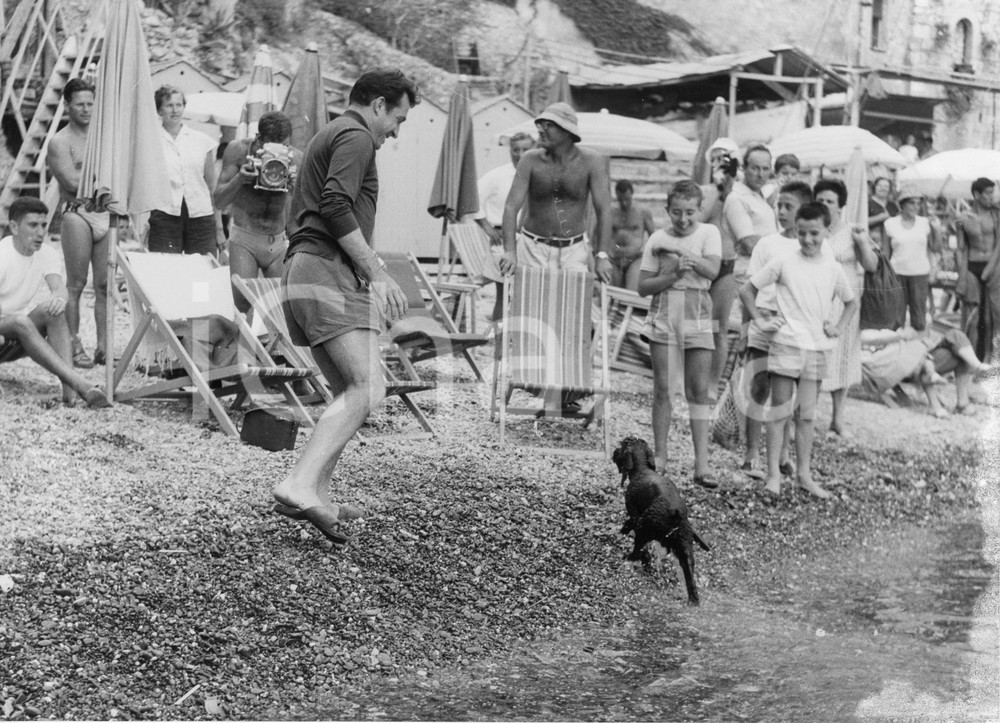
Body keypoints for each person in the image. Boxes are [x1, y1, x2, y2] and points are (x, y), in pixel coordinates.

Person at [273, 68, 417, 546]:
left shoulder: (332, 133)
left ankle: (318, 492)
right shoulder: (356, 136)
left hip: (306, 268)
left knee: (345, 389)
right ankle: (298, 483)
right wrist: (377, 271)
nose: (396, 132)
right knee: (369, 386)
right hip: (326, 269)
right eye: (396, 118)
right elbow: (336, 207)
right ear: (377, 105)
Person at [738, 202, 858, 498]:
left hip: (816, 349)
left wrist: (838, 328)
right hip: (786, 346)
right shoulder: (784, 260)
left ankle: (804, 474)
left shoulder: (833, 267)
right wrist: (761, 320)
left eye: (814, 233)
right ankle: (773, 475)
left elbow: (851, 301)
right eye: (802, 233)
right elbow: (747, 290)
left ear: (828, 231)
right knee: (779, 411)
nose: (807, 239)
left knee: (806, 414)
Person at [637, 180, 721, 488]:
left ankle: (702, 465)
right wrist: (673, 273)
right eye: (676, 212)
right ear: (667, 210)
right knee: (663, 389)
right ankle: (660, 458)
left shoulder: (709, 233)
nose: (683, 219)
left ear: (700, 210)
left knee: (698, 391)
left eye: (689, 212)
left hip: (698, 313)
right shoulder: (656, 238)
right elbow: (643, 287)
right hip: (665, 314)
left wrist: (677, 249)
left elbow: (712, 271)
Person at [0, 197, 110, 408]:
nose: (41, 233)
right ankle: (80, 383)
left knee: (54, 311)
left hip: (15, 333)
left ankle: (70, 393)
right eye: (33, 225)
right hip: (5, 333)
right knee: (20, 321)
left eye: (44, 225)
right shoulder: (2, 256)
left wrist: (58, 299)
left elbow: (59, 287)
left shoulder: (46, 254)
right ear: (14, 227)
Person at [740, 180, 814, 479]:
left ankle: (782, 452)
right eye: (779, 206)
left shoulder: (810, 247)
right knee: (758, 386)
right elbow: (749, 288)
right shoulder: (767, 244)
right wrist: (752, 322)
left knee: (790, 393)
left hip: (795, 326)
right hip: (765, 319)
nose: (781, 211)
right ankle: (750, 454)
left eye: (789, 206)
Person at [499, 102, 612, 282]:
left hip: (574, 250)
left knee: (572, 306)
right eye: (540, 125)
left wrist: (602, 256)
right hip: (532, 248)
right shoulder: (530, 160)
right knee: (529, 307)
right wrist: (510, 251)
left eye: (549, 125)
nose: (541, 130)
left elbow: (604, 210)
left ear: (568, 131)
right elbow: (511, 207)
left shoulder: (592, 161)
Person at [46, 78, 110, 369]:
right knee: (76, 284)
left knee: (105, 285)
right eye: (80, 104)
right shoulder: (60, 141)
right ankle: (73, 343)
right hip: (77, 213)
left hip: (105, 212)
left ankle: (103, 346)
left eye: (90, 104)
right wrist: (106, 176)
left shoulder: (102, 137)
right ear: (67, 105)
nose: (86, 109)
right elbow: (72, 182)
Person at [213, 110, 302, 313]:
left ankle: (271, 345)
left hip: (278, 241)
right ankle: (247, 344)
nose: (280, 154)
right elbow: (218, 200)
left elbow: (307, 209)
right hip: (246, 238)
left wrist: (297, 188)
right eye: (272, 148)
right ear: (258, 139)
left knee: (281, 309)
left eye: (285, 147)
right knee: (243, 304)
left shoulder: (296, 158)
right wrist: (239, 180)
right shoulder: (238, 151)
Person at [813, 178, 879, 436]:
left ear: (840, 206)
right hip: (817, 297)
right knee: (816, 353)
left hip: (846, 301)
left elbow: (871, 266)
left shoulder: (854, 230)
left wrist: (862, 242)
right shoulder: (811, 227)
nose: (825, 205)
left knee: (844, 356)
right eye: (820, 200)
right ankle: (807, 414)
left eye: (830, 201)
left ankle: (837, 418)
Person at [714, 144, 778, 390]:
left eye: (765, 169)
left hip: (763, 278)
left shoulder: (760, 197)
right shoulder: (737, 198)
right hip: (743, 276)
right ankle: (719, 402)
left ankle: (737, 406)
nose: (761, 174)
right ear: (744, 168)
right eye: (755, 168)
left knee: (752, 342)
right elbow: (749, 242)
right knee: (736, 339)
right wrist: (784, 252)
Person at [149, 85, 225, 255]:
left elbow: (212, 188)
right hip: (164, 215)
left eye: (178, 105)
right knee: (167, 270)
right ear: (160, 110)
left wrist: (219, 227)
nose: (175, 110)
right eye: (169, 105)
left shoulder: (202, 141)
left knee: (202, 274)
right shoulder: (152, 142)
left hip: (200, 215)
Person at [471, 131, 534, 321]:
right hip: (502, 239)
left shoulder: (537, 174)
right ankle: (500, 344)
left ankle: (517, 338)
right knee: (503, 292)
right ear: (510, 151)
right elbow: (471, 199)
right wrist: (487, 227)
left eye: (525, 149)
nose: (520, 154)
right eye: (516, 150)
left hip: (530, 239)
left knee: (526, 293)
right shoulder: (498, 175)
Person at [861, 326, 993, 417]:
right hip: (910, 361)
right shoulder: (868, 346)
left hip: (913, 355)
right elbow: (871, 339)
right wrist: (902, 336)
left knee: (958, 348)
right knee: (955, 338)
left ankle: (961, 402)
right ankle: (977, 368)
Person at [956, 177, 1000, 361]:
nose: (992, 197)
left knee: (993, 316)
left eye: (993, 192)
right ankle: (970, 360)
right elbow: (960, 248)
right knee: (973, 316)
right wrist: (962, 277)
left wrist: (990, 268)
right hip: (972, 267)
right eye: (988, 193)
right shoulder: (963, 218)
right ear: (976, 195)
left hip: (994, 268)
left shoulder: (996, 214)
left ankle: (990, 359)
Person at [884, 185, 939, 333]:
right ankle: (895, 349)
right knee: (896, 317)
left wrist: (934, 269)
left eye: (918, 203)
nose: (915, 206)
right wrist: (886, 275)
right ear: (902, 204)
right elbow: (886, 252)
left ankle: (916, 350)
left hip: (920, 274)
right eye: (911, 202)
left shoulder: (925, 223)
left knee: (919, 317)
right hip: (897, 274)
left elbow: (933, 249)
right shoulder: (890, 224)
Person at [609, 179, 655, 290]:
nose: (624, 203)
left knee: (631, 293)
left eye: (627, 199)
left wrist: (648, 256)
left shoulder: (642, 212)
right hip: (615, 259)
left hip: (634, 258)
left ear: (632, 195)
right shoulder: (611, 213)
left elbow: (653, 237)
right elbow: (598, 235)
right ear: (616, 196)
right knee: (612, 294)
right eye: (621, 200)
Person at [867, 176, 899, 250]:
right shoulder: (867, 203)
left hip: (891, 242)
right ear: (874, 187)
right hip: (873, 242)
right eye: (879, 185)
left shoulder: (892, 205)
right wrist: (879, 218)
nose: (883, 188)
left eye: (886, 186)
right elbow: (861, 221)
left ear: (889, 189)